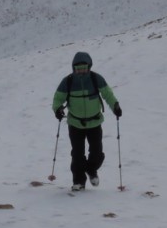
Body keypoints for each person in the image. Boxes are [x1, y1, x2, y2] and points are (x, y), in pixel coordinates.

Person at [52, 51, 122, 190]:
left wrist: (115, 106)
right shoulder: (68, 81)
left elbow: (107, 94)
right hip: (75, 123)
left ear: (89, 66)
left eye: (84, 68)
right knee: (77, 154)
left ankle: (91, 170)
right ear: (73, 68)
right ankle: (78, 181)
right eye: (78, 69)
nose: (81, 71)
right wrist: (58, 109)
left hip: (94, 122)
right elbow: (58, 98)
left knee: (97, 153)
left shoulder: (96, 79)